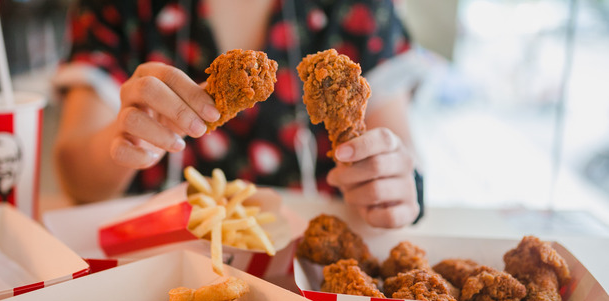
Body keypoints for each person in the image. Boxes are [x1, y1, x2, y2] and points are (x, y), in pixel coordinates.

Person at [53, 0, 424, 228]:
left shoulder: (362, 9)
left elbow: (397, 151)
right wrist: (127, 137)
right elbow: (78, 179)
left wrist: (392, 185)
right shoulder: (121, 7)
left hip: (304, 268)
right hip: (158, 257)